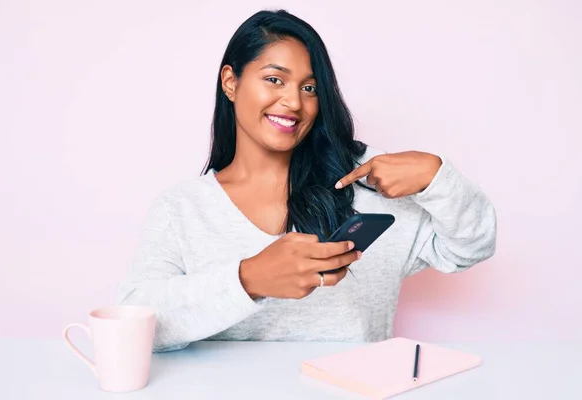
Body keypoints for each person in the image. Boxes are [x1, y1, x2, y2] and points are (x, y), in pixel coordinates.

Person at [116, 9, 497, 352]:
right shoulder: (182, 210)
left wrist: (437, 176)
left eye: (309, 88)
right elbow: (135, 321)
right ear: (230, 82)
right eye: (274, 79)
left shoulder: (366, 190)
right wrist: (249, 279)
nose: (294, 102)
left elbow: (470, 247)